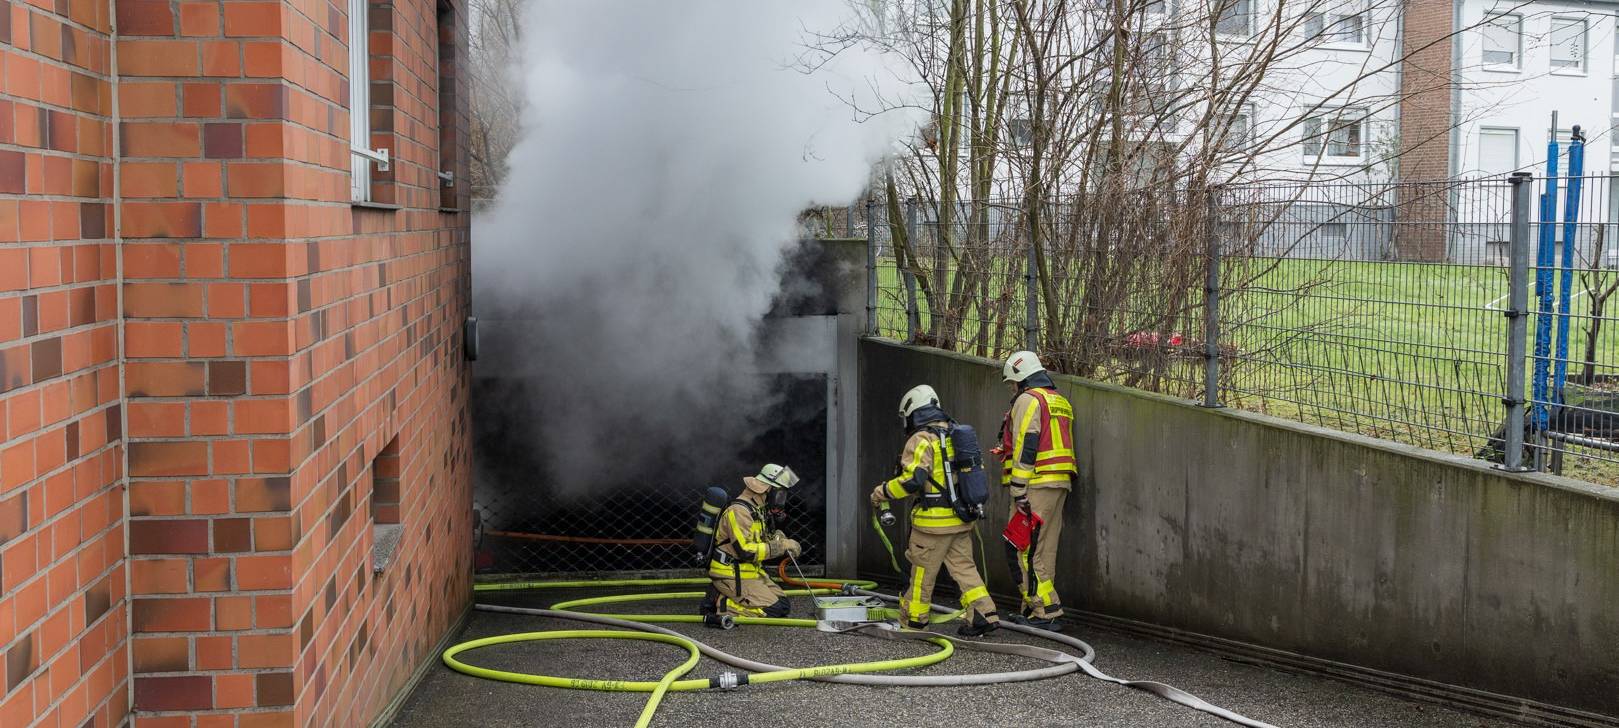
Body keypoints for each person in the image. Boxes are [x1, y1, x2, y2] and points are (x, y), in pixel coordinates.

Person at [871, 385, 1000, 637]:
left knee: (921, 573)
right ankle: (984, 614)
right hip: (960, 519)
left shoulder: (920, 439)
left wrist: (882, 492)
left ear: (912, 412)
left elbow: (913, 480)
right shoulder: (956, 434)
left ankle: (915, 621)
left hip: (932, 525)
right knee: (965, 569)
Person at [996, 350, 1076, 631]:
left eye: (1012, 383)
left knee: (1020, 548)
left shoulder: (1028, 399)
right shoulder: (1058, 400)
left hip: (1035, 484)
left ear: (1020, 378)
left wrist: (1019, 489)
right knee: (1043, 550)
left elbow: (1028, 443)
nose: (1012, 389)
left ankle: (1047, 609)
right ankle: (1032, 609)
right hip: (1059, 482)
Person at [701, 464, 801, 620]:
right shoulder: (739, 511)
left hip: (750, 571)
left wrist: (776, 538)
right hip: (731, 574)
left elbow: (758, 540)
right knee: (772, 611)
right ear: (767, 489)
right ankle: (719, 602)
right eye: (780, 493)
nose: (781, 499)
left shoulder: (757, 509)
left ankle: (729, 597)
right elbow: (745, 551)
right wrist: (781, 546)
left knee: (783, 606)